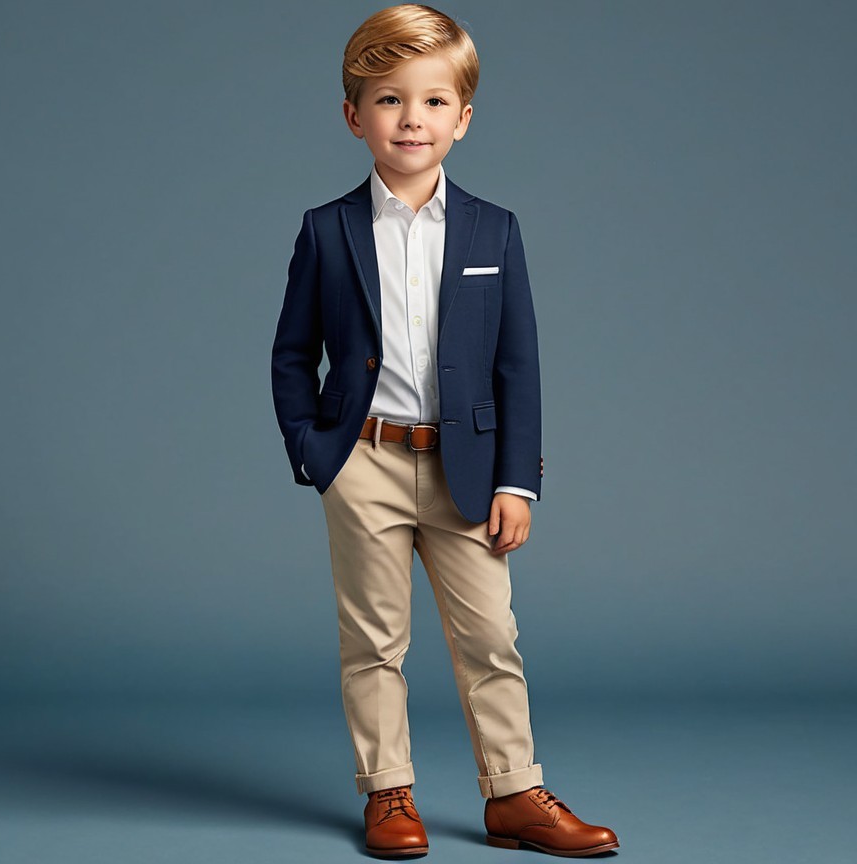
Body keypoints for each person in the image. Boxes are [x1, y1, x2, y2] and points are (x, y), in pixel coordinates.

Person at [270, 4, 619, 858]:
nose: (411, 119)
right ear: (355, 117)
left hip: (467, 466)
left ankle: (513, 793)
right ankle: (388, 794)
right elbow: (290, 356)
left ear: (462, 119)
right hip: (365, 460)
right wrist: (318, 456)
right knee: (374, 640)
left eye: (431, 102)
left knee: (491, 637)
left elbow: (518, 365)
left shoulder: (495, 230)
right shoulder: (327, 230)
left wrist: (517, 480)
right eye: (389, 100)